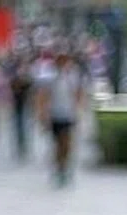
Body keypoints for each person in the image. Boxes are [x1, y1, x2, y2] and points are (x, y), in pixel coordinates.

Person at [41, 51, 87, 187]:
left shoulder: (73, 77)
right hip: (54, 115)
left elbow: (79, 94)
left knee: (66, 142)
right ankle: (58, 167)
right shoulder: (50, 77)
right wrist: (43, 114)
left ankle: (65, 166)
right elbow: (43, 96)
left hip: (68, 115)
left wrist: (79, 109)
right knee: (56, 144)